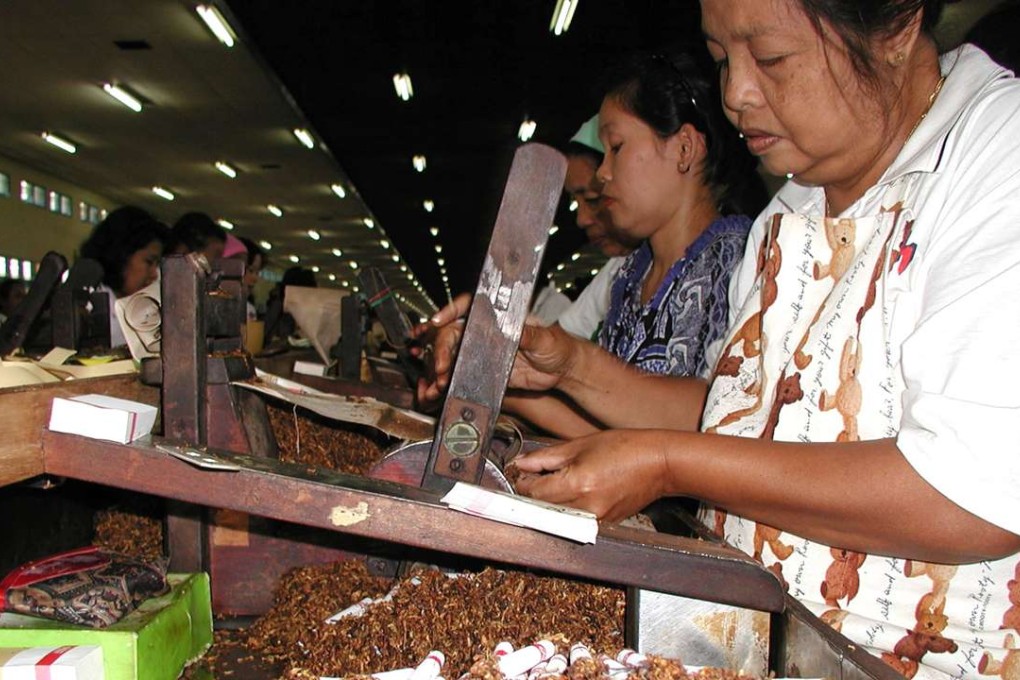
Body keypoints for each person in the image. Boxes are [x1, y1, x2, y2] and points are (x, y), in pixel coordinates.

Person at [487, 1, 1020, 678]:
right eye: (721, 60)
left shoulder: (997, 161)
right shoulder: (786, 217)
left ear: (895, 29)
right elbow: (743, 422)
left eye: (770, 58)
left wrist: (666, 464)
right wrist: (571, 369)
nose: (735, 93)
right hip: (741, 645)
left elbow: (973, 490)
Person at [556, 115, 638, 341]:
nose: (582, 220)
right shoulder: (620, 268)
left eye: (592, 199)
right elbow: (562, 337)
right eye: (576, 203)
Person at [79, 206, 170, 347]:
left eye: (157, 264)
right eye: (149, 262)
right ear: (120, 254)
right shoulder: (87, 310)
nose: (154, 274)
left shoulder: (138, 309)